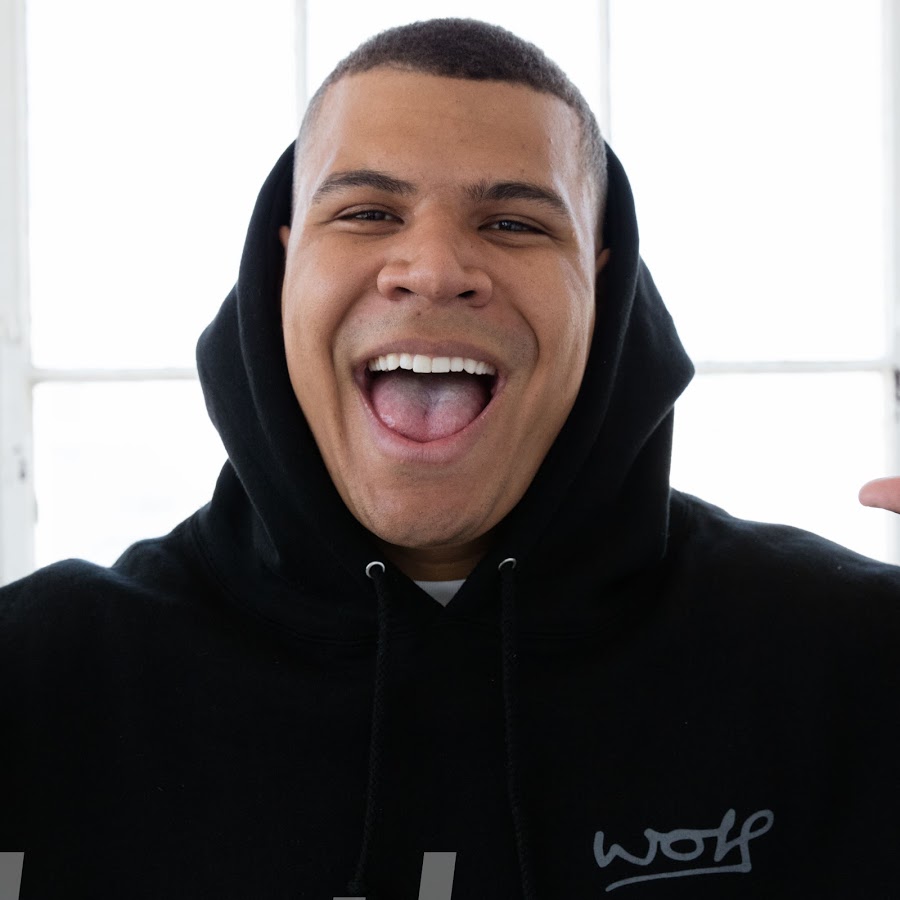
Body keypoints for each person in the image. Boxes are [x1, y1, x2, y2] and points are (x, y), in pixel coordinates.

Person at [3, 17, 900, 899]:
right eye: (367, 213)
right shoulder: (35, 677)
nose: (432, 269)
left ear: (604, 280)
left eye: (513, 223)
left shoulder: (861, 663)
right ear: (282, 265)